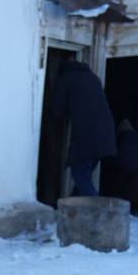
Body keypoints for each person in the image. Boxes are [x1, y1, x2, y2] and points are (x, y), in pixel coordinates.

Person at [52, 58, 116, 196]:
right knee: (83, 177)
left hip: (87, 136)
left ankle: (98, 211)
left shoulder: (66, 78)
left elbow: (57, 110)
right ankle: (72, 210)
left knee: (80, 176)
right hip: (106, 134)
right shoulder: (93, 78)